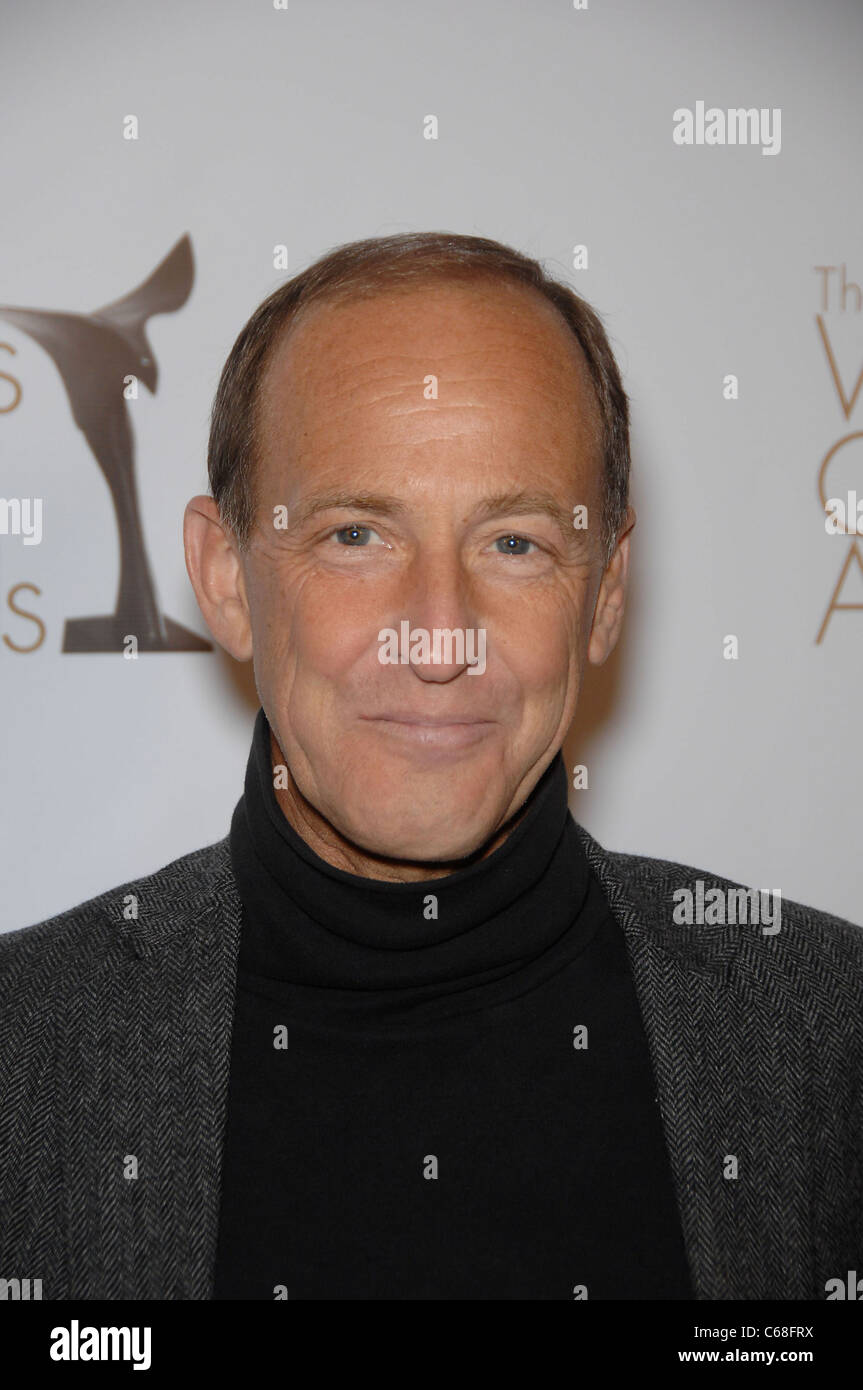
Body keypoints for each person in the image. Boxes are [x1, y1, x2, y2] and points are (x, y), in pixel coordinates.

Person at [1, 232, 860, 1301]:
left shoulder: (826, 1040)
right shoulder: (24, 1054)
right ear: (225, 579)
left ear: (601, 594)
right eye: (357, 534)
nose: (438, 637)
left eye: (514, 543)